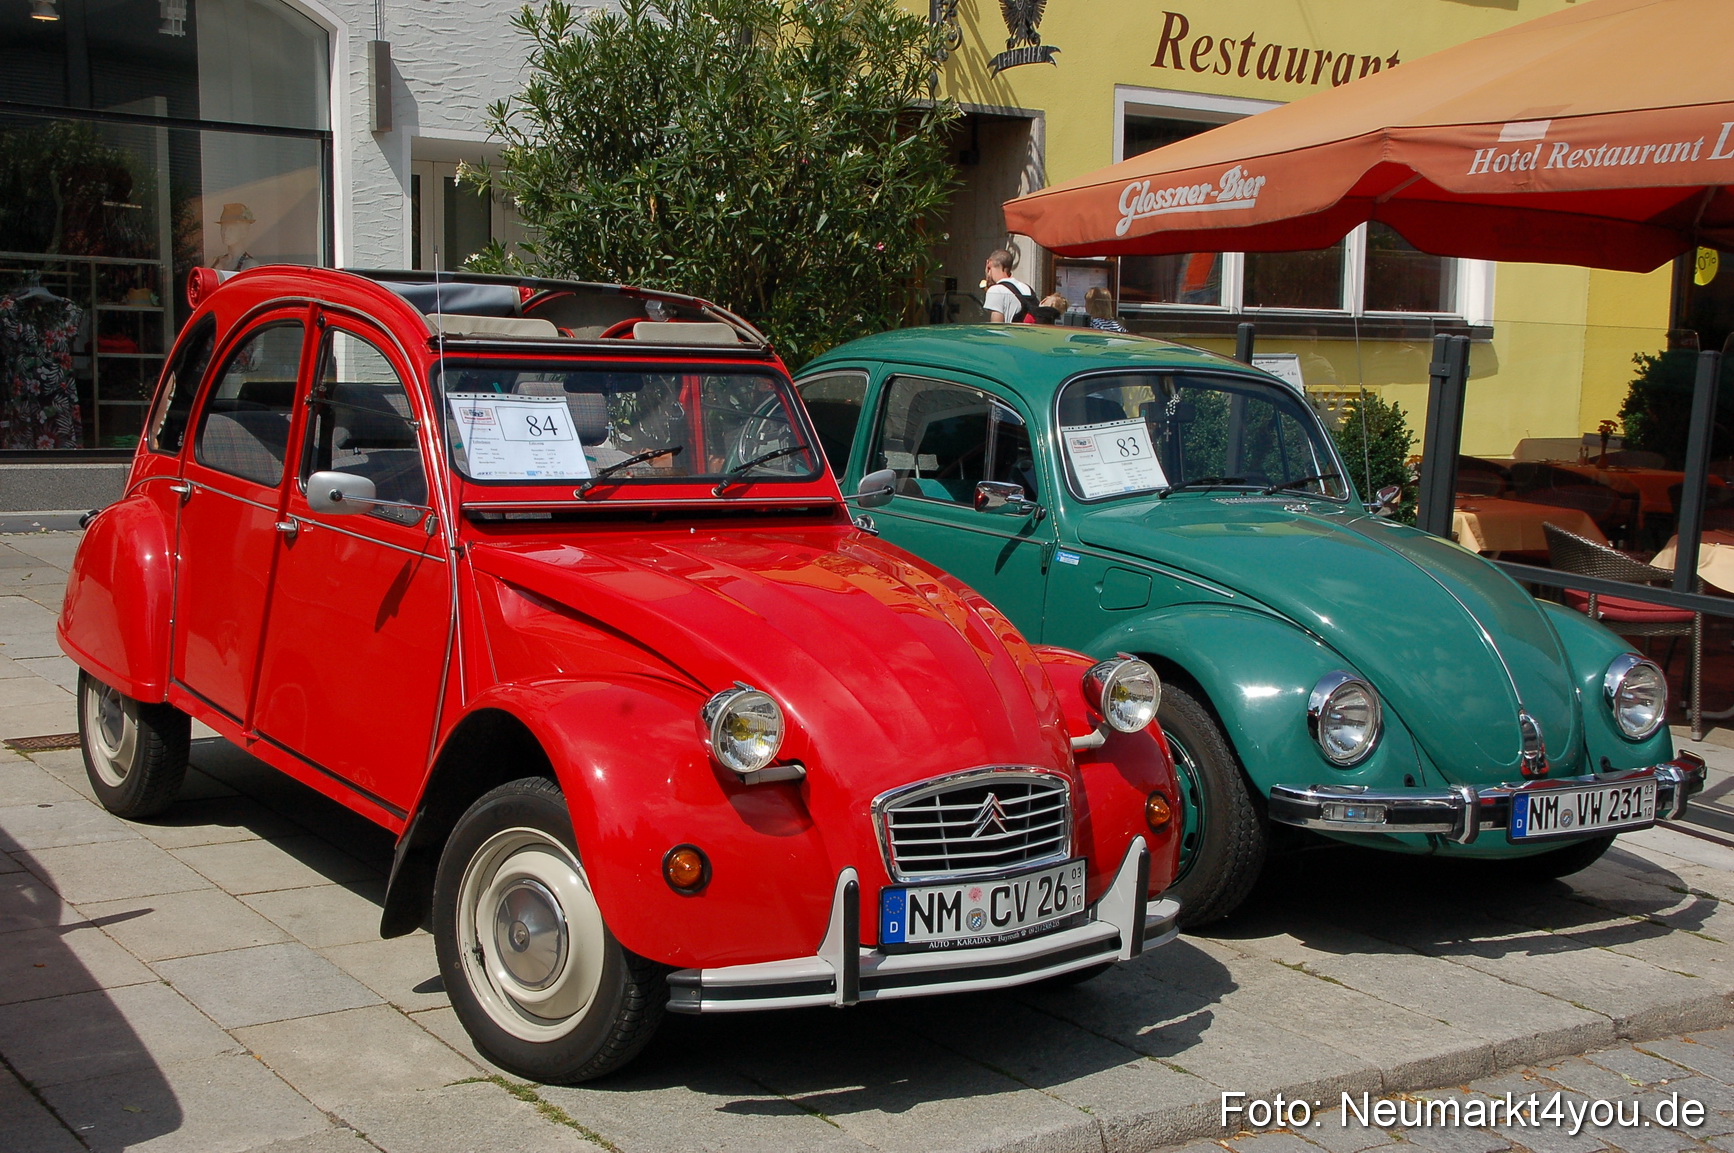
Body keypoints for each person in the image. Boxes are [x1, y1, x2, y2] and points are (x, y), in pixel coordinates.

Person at [981, 249, 1037, 323]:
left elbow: (996, 329)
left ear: (988, 265)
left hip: (1011, 334)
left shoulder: (995, 290)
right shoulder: (1027, 288)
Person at [210, 203, 259, 272]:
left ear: (243, 232)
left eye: (231, 229)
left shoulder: (249, 265)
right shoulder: (214, 262)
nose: (225, 233)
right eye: (223, 228)